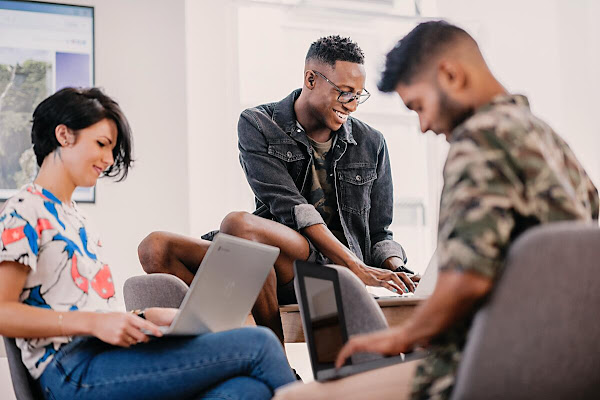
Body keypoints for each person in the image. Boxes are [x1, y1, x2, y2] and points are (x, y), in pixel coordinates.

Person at [274, 21, 599, 400]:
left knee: (295, 397)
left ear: (450, 75)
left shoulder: (479, 142)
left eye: (419, 106)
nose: (425, 126)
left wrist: (400, 336)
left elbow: (467, 281)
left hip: (479, 368)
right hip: (566, 362)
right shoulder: (545, 138)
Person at [0, 87, 295, 400]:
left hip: (102, 358)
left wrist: (144, 317)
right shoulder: (24, 210)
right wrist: (94, 323)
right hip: (71, 372)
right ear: (63, 135)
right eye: (101, 144)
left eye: (111, 149)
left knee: (247, 390)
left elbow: (87, 307)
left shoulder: (75, 219)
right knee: (259, 343)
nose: (108, 159)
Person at [138, 35, 417, 345]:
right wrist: (358, 266)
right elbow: (291, 208)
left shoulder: (371, 142)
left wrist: (398, 269)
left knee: (238, 226)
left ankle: (271, 355)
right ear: (311, 79)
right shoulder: (259, 123)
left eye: (357, 95)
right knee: (155, 247)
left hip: (329, 268)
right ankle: (231, 333)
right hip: (277, 254)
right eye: (343, 93)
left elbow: (379, 232)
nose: (350, 105)